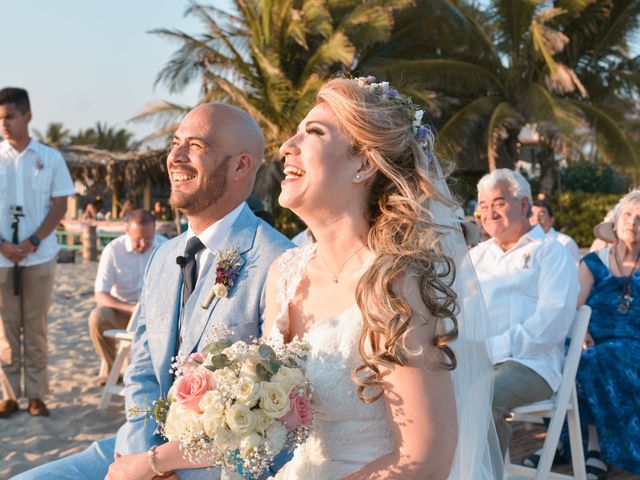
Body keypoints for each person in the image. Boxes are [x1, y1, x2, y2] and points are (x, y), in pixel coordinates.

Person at [15, 103, 293, 480]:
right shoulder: (164, 255)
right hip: (137, 447)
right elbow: (142, 369)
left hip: (217, 465)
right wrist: (143, 456)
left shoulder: (278, 260)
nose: (174, 157)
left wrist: (166, 467)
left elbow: (272, 416)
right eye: (175, 142)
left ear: (241, 165)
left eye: (196, 146)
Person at [258, 77, 499, 478]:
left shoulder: (395, 282)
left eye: (313, 132)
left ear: (365, 164)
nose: (286, 146)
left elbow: (425, 459)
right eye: (295, 132)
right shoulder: (283, 275)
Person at [527, 190, 640, 478]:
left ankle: (594, 449)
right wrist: (583, 332)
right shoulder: (594, 262)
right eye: (628, 215)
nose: (633, 222)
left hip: (632, 343)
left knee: (605, 357)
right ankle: (566, 440)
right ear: (615, 222)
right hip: (588, 336)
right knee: (571, 354)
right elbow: (573, 307)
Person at [470, 168, 579, 458]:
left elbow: (552, 323)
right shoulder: (476, 256)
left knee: (482, 398)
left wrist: (492, 349)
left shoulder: (551, 252)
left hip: (532, 365)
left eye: (499, 203)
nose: (490, 213)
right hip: (478, 363)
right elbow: (456, 309)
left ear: (524, 204)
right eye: (483, 206)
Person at [0, 87, 76, 418]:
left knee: (35, 327)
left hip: (39, 254)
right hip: (1, 256)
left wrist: (32, 241)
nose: (3, 123)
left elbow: (60, 204)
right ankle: (9, 395)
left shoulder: (50, 158)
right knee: (5, 330)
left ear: (27, 116)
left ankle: (36, 394)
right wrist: (3, 245)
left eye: (9, 117)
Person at [89, 209, 167, 385]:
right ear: (127, 231)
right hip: (123, 310)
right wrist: (132, 309)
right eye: (137, 239)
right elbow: (100, 294)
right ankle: (111, 369)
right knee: (97, 317)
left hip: (156, 313)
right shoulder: (113, 250)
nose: (143, 244)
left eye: (148, 238)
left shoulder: (164, 247)